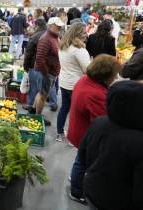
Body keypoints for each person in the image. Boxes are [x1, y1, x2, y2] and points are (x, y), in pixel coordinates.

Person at [78, 80, 143, 210]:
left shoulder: (99, 122)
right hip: (119, 202)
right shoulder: (139, 141)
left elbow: (82, 155)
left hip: (93, 189)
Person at [67, 54, 121, 204]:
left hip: (78, 128)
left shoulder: (86, 79)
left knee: (80, 160)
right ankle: (76, 191)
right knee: (83, 161)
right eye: (114, 75)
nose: (115, 78)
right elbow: (102, 122)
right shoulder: (96, 94)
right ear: (105, 75)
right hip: (85, 135)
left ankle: (75, 178)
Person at [56, 23, 90, 142]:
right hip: (75, 85)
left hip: (64, 82)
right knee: (75, 113)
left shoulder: (63, 46)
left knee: (64, 108)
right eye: (84, 32)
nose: (86, 35)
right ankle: (72, 138)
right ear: (78, 33)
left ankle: (59, 133)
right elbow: (88, 69)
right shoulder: (79, 50)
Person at [29, 17, 64, 126]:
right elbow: (39, 58)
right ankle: (38, 117)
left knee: (41, 94)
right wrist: (46, 73)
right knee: (43, 96)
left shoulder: (54, 37)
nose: (59, 27)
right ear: (50, 25)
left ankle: (34, 111)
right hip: (45, 73)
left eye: (59, 25)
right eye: (56, 25)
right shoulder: (46, 39)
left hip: (49, 72)